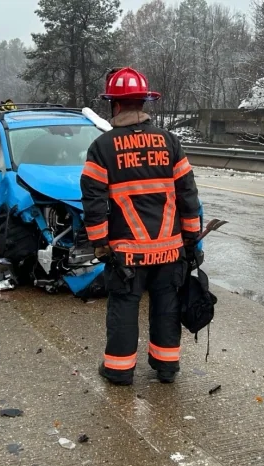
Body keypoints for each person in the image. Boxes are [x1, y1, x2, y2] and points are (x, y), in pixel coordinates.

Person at [80, 67, 201, 386]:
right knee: (167, 306)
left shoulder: (102, 147)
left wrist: (100, 243)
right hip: (169, 250)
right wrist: (192, 241)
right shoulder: (170, 142)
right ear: (143, 102)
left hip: (127, 254)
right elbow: (188, 195)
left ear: (114, 105)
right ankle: (166, 368)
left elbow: (92, 201)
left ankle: (119, 370)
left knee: (124, 306)